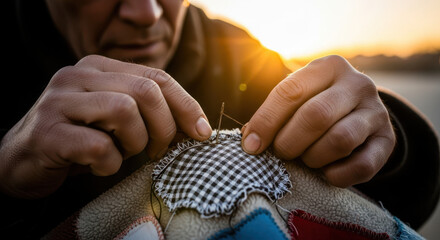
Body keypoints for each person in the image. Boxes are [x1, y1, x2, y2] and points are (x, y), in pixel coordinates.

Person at [1, 0, 438, 238]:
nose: (147, 13)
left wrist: (385, 140)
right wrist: (5, 176)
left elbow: (404, 200)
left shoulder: (236, 55)